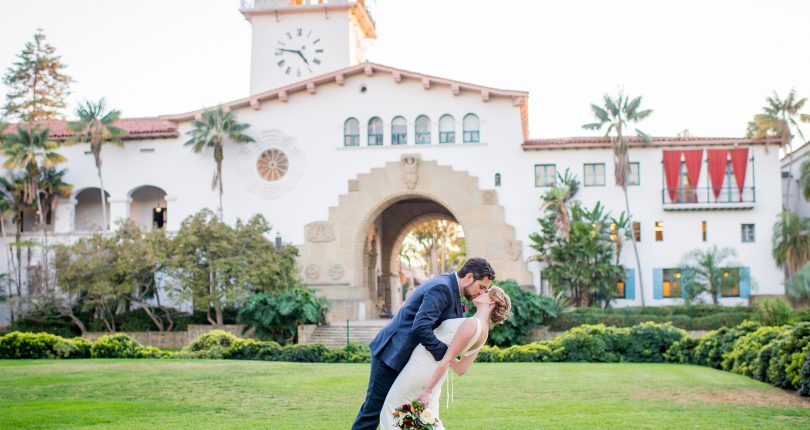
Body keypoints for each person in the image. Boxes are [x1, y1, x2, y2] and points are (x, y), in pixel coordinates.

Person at [350, 258, 495, 430]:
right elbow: (421, 327)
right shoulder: (443, 288)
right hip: (393, 353)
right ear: (469, 277)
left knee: (406, 413)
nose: (481, 292)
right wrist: (445, 355)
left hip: (410, 359)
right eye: (481, 287)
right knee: (373, 410)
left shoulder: (450, 288)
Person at [379, 286, 512, 430]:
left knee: (392, 410)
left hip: (422, 369)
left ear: (491, 302)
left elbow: (448, 359)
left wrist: (427, 390)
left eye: (486, 292)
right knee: (424, 419)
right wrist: (448, 353)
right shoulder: (484, 332)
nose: (481, 292)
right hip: (435, 375)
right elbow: (460, 368)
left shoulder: (471, 324)